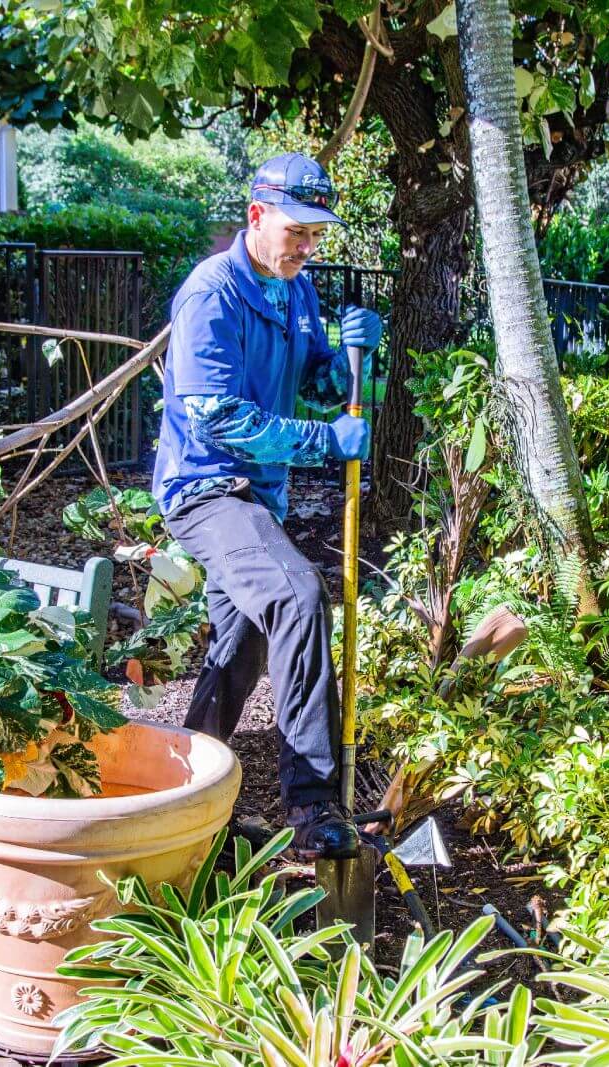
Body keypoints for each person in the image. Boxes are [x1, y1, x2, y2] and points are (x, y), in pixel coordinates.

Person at [153, 153, 382, 860]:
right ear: (258, 217)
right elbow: (218, 416)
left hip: (260, 497)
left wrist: (348, 359)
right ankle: (313, 804)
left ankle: (177, 798)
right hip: (206, 487)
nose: (309, 245)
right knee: (295, 597)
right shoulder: (211, 295)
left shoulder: (296, 290)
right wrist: (325, 438)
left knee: (240, 649)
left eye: (318, 233)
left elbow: (314, 382)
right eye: (299, 229)